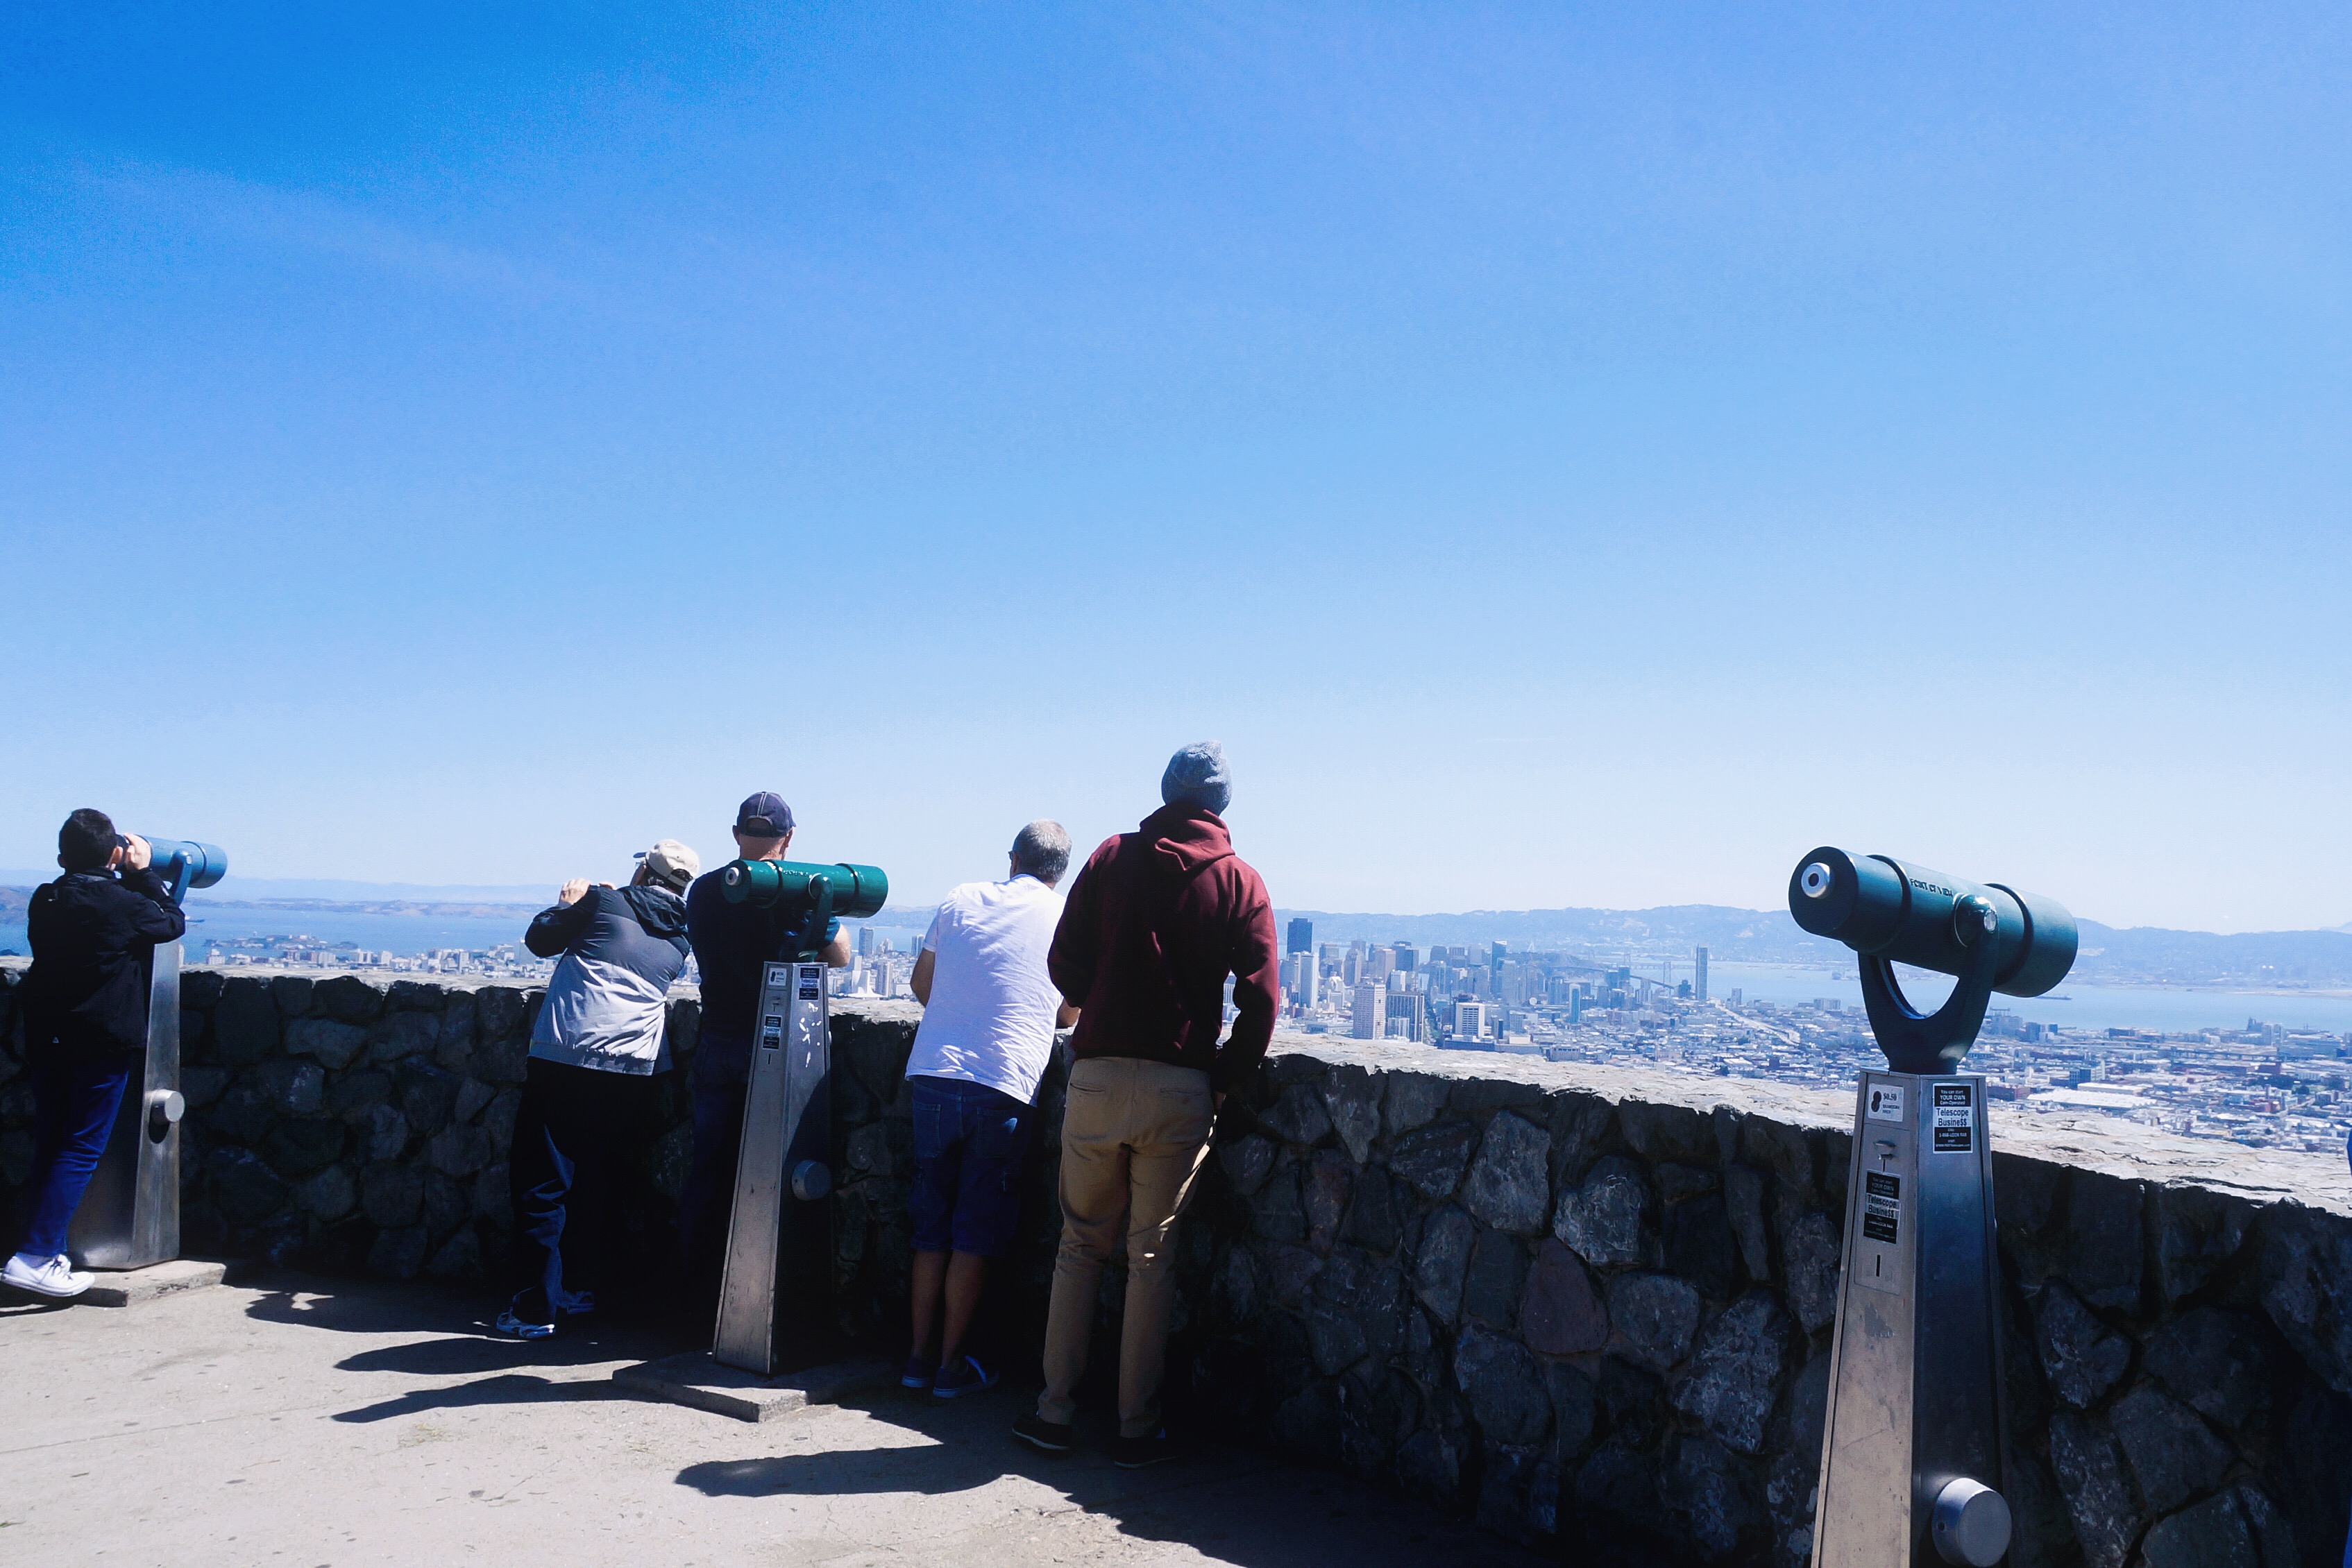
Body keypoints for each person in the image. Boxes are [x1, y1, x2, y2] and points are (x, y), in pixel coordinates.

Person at [1012, 742, 1278, 1466]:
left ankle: (1053, 1412)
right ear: (1221, 806)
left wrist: (1099, 995)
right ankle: (1136, 1427)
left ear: (1163, 791)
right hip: (1179, 1086)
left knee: (1079, 1246)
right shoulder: (1238, 882)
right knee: (1150, 1256)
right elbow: (1261, 1001)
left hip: (1097, 1075)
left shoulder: (1108, 857)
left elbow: (1061, 960)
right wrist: (1221, 1076)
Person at [900, 821, 1079, 1398]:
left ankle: (916, 1359)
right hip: (1002, 1081)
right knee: (974, 1232)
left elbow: (921, 985)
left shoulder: (959, 898)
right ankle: (953, 1368)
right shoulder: (1065, 918)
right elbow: (1067, 1016)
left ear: (1012, 859)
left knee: (931, 1229)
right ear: (1060, 871)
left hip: (933, 1072)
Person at [497, 838, 701, 1339]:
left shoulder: (604, 902)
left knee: (542, 1182)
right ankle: (578, 1290)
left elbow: (540, 941)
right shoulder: (682, 936)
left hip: (569, 1054)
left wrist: (568, 904)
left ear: (641, 874)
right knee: (592, 1175)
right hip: (632, 1067)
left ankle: (533, 1310)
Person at [6, 810, 186, 1299]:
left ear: (61, 857)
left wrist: (114, 870)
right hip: (101, 1042)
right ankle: (37, 1255)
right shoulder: (123, 903)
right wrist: (144, 872)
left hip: (49, 1038)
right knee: (81, 1147)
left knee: (51, 1142)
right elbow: (172, 923)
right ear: (113, 854)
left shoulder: (45, 899)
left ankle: (47, 1249)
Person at [679, 793, 852, 1302]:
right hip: (770, 1048)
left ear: (735, 834)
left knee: (707, 1172)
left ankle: (691, 1296)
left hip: (716, 1040)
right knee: (771, 1177)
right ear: (789, 838)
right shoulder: (790, 892)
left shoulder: (706, 890)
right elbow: (839, 954)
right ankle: (758, 1299)